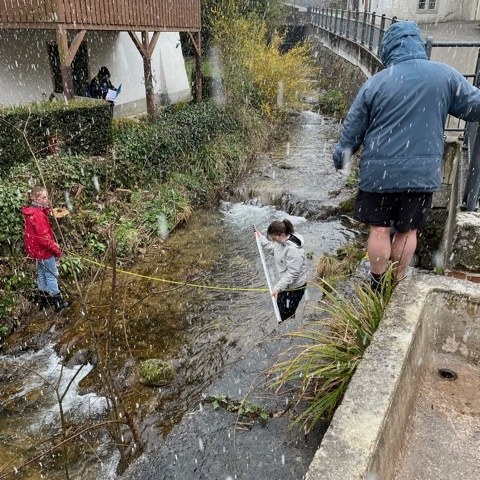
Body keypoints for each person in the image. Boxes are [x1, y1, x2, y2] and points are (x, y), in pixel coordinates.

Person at [332, 20, 480, 290]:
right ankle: (397, 280)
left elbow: (352, 131)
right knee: (407, 230)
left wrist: (340, 158)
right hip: (420, 175)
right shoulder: (444, 76)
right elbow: (474, 106)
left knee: (379, 229)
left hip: (378, 175)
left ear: (388, 48)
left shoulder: (376, 83)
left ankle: (377, 281)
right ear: (418, 45)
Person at [21, 186, 69, 313]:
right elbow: (44, 239)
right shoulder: (38, 215)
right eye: (43, 197)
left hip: (34, 251)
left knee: (41, 274)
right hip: (43, 251)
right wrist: (57, 250)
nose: (47, 199)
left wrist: (46, 210)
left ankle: (44, 300)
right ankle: (57, 301)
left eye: (46, 197)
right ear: (35, 198)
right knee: (52, 274)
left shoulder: (31, 211)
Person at [256, 219, 307, 321]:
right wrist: (260, 238)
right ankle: (286, 329)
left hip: (294, 288)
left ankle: (289, 332)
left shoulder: (293, 250)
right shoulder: (281, 242)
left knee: (285, 315)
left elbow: (293, 273)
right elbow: (273, 249)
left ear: (282, 235)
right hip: (285, 285)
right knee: (280, 309)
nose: (273, 241)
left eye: (274, 238)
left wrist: (278, 287)